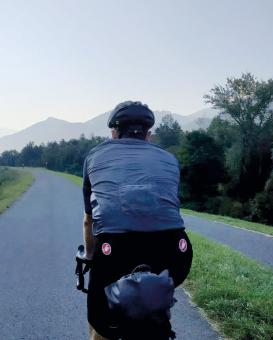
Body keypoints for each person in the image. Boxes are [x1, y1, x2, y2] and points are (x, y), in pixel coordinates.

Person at [81, 101, 193, 340]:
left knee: (100, 322)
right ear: (148, 135)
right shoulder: (169, 159)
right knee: (154, 298)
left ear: (113, 133)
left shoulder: (95, 156)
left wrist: (91, 256)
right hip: (175, 249)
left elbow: (88, 222)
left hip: (115, 248)